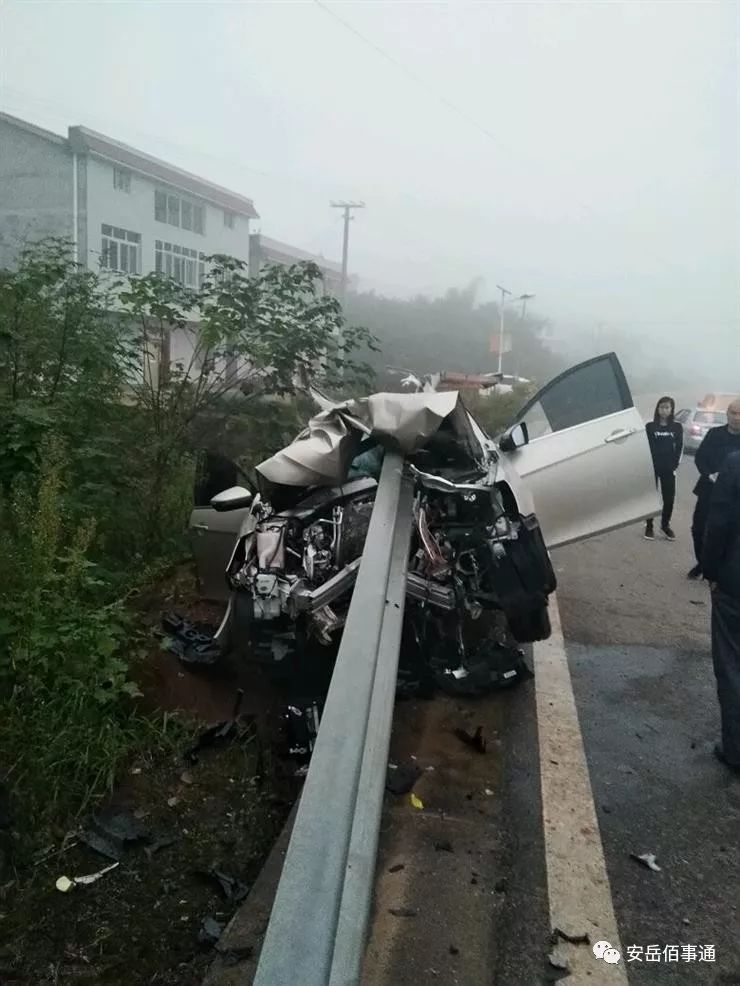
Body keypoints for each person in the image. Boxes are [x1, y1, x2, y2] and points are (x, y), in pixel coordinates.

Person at [702, 450, 740, 773]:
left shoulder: (735, 463)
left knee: (731, 666)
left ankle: (736, 750)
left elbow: (719, 522)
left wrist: (711, 570)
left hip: (735, 585)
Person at [688, 398, 740, 579]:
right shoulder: (714, 434)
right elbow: (700, 457)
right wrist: (709, 474)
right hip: (708, 490)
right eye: (733, 413)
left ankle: (719, 568)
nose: (736, 417)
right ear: (727, 414)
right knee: (698, 529)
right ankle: (703, 563)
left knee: (728, 533)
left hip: (733, 497)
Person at [644, 396, 683, 541]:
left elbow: (680, 447)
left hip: (669, 469)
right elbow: (645, 447)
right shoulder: (650, 426)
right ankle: (649, 526)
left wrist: (674, 465)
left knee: (669, 499)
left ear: (672, 409)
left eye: (667, 407)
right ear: (657, 409)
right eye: (661, 407)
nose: (664, 410)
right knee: (650, 498)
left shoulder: (677, 427)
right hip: (651, 467)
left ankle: (665, 525)